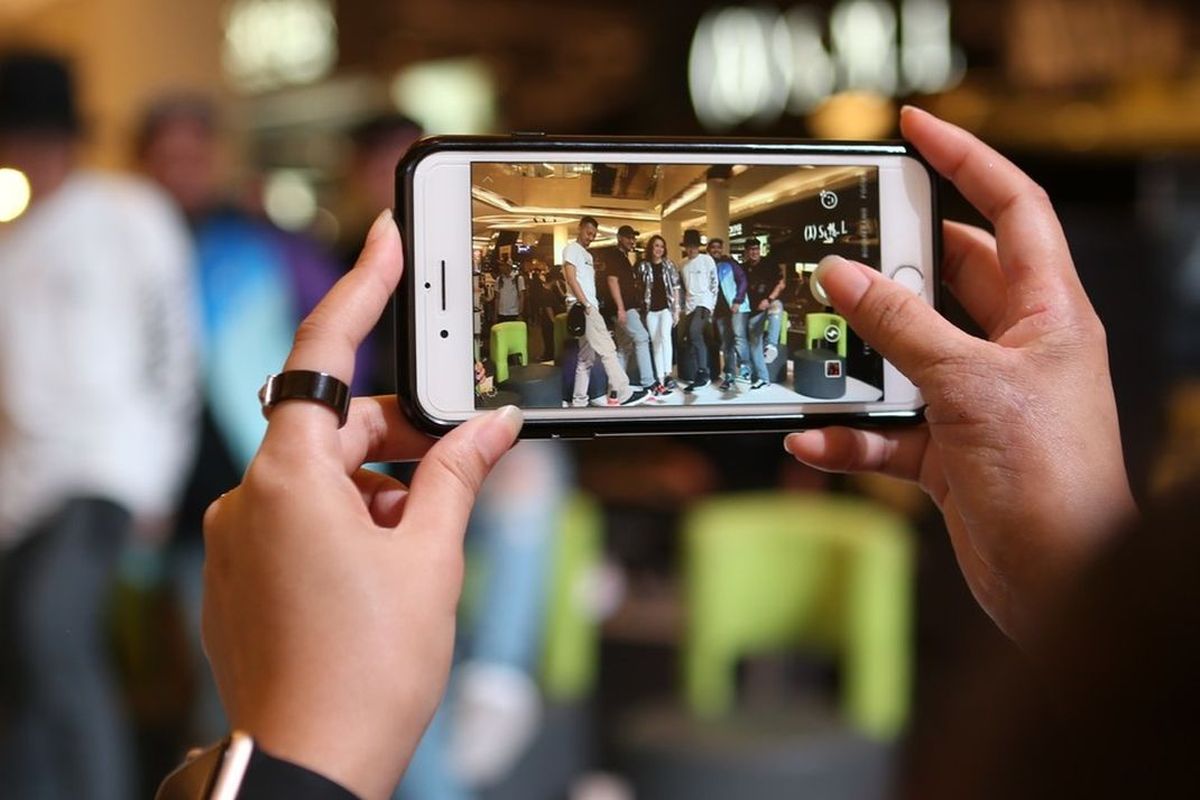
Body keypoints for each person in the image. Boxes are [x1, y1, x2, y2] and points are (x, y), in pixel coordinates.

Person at [165, 107, 1160, 798]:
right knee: (527, 469)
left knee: (533, 475)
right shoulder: (303, 244)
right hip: (421, 439)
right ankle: (511, 667)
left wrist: (301, 754)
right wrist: (1067, 570)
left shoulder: (663, 273)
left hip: (454, 442)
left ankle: (506, 672)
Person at [0, 51, 199, 800]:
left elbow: (171, 346)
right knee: (22, 662)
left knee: (52, 632)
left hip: (107, 467)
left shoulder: (125, 212)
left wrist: (157, 471)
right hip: (24, 488)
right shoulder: (11, 240)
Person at [562, 217, 648, 407]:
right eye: (588, 233)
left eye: (593, 235)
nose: (590, 237)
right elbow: (571, 278)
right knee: (608, 349)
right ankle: (624, 392)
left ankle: (579, 402)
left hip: (589, 305)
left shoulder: (588, 256)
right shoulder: (571, 249)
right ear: (580, 229)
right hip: (583, 307)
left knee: (586, 358)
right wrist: (586, 304)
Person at [606, 224, 655, 391]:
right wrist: (620, 308)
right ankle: (649, 382)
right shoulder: (615, 256)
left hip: (622, 307)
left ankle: (617, 387)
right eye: (628, 237)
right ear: (619, 238)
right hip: (624, 308)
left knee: (624, 347)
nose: (631, 241)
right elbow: (612, 281)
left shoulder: (623, 257)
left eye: (633, 238)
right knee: (642, 338)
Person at [637, 234, 682, 395]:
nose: (659, 249)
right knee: (655, 343)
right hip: (650, 311)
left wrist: (676, 309)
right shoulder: (643, 266)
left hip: (666, 309)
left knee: (665, 337)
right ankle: (660, 378)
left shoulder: (669, 265)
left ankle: (668, 374)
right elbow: (639, 289)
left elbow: (676, 287)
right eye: (656, 246)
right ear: (651, 248)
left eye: (662, 246)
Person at [678, 228, 719, 392]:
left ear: (698, 246)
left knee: (695, 333)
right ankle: (698, 373)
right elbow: (680, 288)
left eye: (694, 245)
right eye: (688, 246)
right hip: (689, 305)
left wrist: (712, 306)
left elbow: (714, 284)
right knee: (691, 337)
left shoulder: (707, 260)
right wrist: (681, 307)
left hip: (704, 302)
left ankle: (703, 373)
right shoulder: (681, 264)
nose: (691, 249)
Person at [709, 237, 750, 391]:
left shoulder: (730, 263)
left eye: (718, 247)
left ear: (722, 249)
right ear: (709, 249)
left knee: (739, 337)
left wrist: (738, 300)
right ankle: (730, 375)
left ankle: (745, 367)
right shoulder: (708, 266)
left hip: (737, 307)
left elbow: (743, 280)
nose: (716, 250)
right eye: (713, 247)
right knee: (727, 344)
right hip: (720, 311)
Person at [745, 239, 786, 389]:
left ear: (759, 249)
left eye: (756, 249)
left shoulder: (770, 264)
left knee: (776, 306)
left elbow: (781, 284)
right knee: (755, 344)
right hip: (754, 312)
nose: (753, 252)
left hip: (770, 304)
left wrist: (768, 299)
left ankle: (772, 345)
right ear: (746, 252)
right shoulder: (744, 268)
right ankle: (763, 378)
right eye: (750, 249)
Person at [492, 258, 525, 323]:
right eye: (500, 265)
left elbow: (521, 297)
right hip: (501, 313)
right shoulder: (499, 280)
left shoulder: (518, 278)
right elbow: (497, 298)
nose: (500, 267)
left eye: (503, 265)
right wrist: (495, 314)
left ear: (509, 266)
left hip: (514, 313)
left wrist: (520, 313)